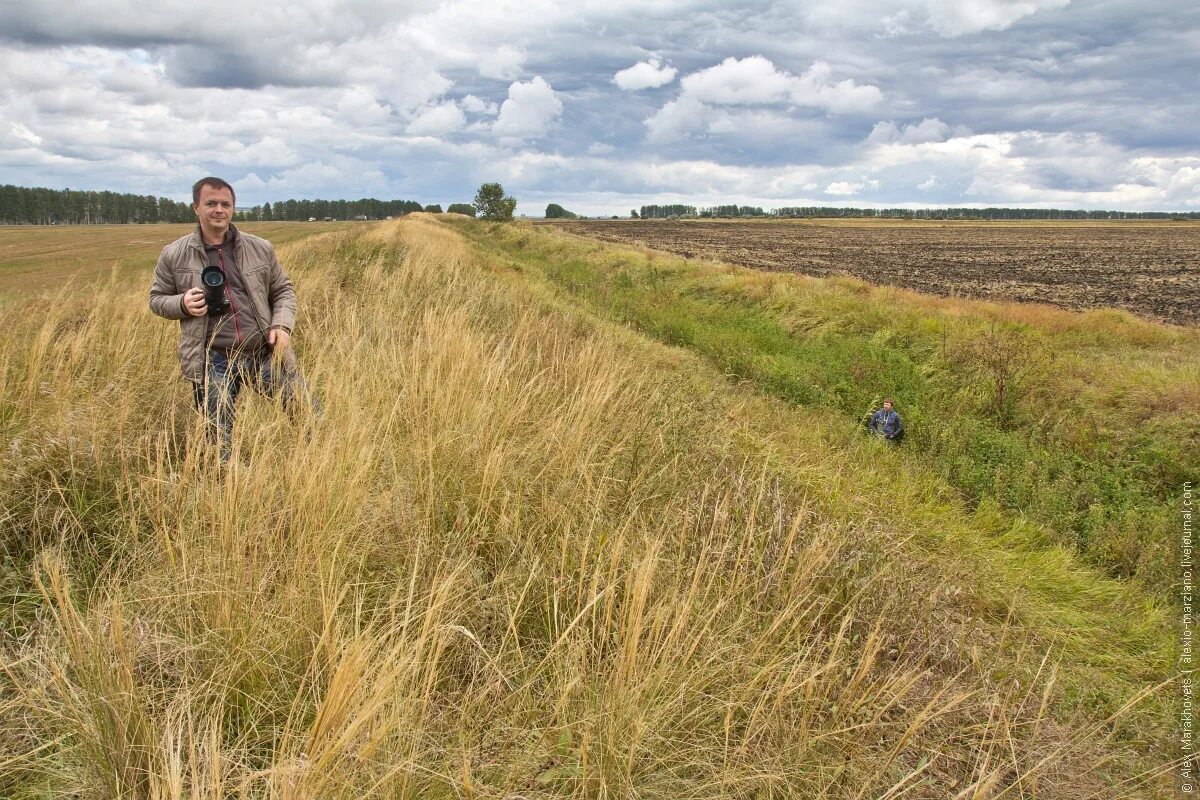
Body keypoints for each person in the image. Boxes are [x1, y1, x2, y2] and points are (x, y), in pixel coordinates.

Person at [149, 176, 308, 461]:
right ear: (196, 207)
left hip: (263, 352)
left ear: (233, 208)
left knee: (306, 413)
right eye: (211, 203)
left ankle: (315, 465)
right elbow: (156, 299)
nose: (219, 210)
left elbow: (283, 290)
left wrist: (282, 326)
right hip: (213, 359)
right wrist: (182, 304)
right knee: (217, 440)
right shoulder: (173, 254)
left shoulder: (260, 247)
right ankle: (227, 487)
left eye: (226, 204)